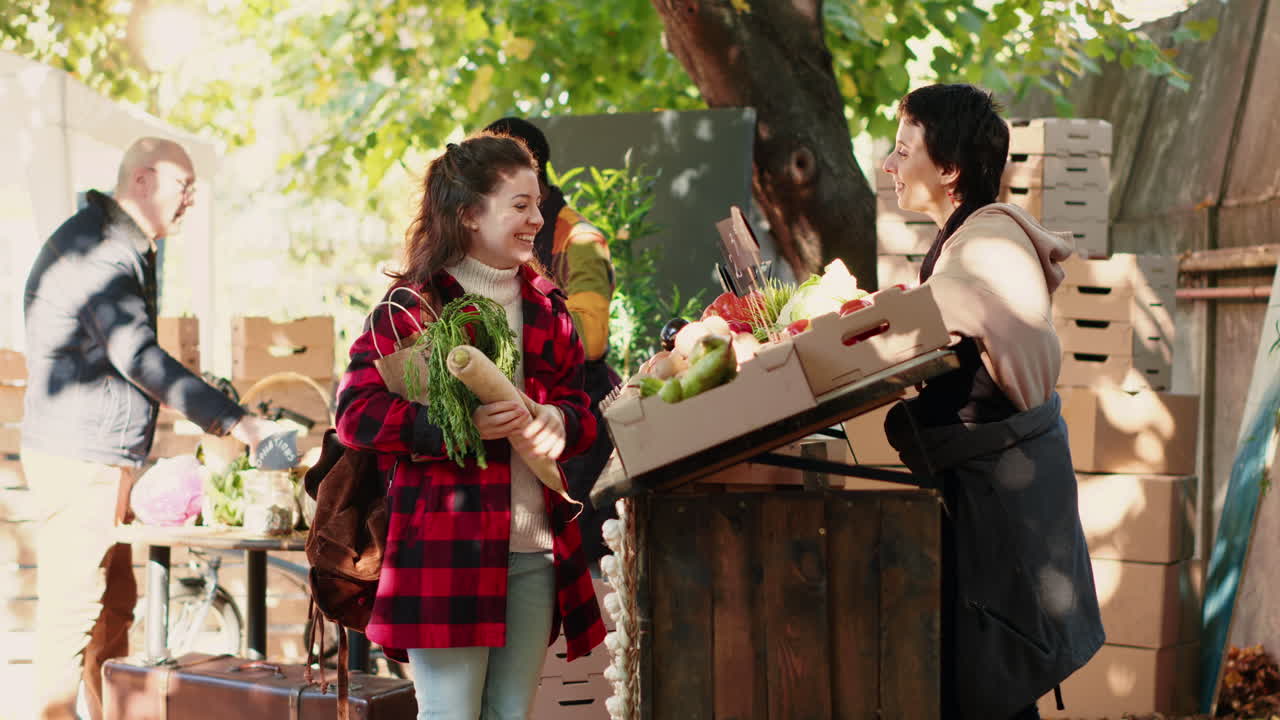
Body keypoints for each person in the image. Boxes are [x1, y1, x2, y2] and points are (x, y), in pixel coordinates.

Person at [334, 132, 605, 720]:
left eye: (538, 203)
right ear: (469, 214)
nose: (538, 218)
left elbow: (583, 414)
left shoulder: (547, 305)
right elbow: (354, 414)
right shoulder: (413, 306)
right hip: (444, 551)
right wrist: (457, 425)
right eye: (521, 205)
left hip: (535, 551)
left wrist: (557, 421)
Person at [21, 137, 282, 720]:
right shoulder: (101, 252)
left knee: (113, 612)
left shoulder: (120, 244)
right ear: (141, 180)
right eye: (182, 186)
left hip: (100, 457)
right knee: (73, 618)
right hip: (78, 459)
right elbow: (136, 354)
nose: (190, 200)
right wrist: (239, 423)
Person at [878, 84, 1105, 720]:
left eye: (903, 151)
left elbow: (954, 309)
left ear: (949, 170)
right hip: (987, 492)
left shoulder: (984, 246)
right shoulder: (967, 241)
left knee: (990, 689)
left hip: (998, 498)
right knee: (987, 687)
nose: (890, 166)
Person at [483, 117, 621, 568]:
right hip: (523, 429)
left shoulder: (578, 241)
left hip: (578, 429)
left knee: (579, 567)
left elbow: (592, 341)